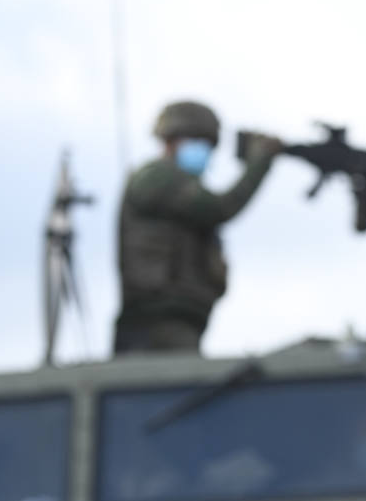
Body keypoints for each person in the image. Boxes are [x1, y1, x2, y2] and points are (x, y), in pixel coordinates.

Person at [113, 100, 283, 353]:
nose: (204, 151)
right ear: (171, 140)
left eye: (208, 146)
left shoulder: (179, 182)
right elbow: (220, 208)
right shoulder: (156, 178)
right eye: (196, 141)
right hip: (156, 321)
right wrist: (258, 164)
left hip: (180, 318)